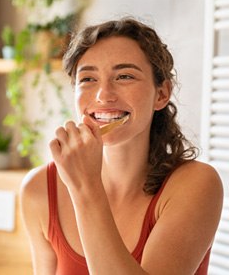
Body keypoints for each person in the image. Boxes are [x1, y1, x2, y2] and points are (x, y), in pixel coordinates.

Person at [20, 17, 223, 275]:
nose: (103, 95)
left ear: (161, 94)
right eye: (88, 79)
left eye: (124, 76)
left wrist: (85, 186)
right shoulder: (39, 189)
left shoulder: (196, 184)